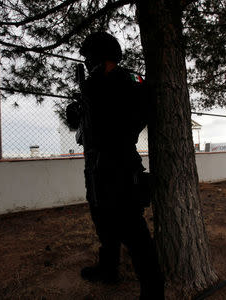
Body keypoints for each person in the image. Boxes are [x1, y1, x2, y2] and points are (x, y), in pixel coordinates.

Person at [66, 32, 164, 299]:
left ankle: (153, 292)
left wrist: (97, 99)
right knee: (102, 223)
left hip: (120, 165)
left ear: (102, 56)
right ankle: (108, 270)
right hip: (95, 167)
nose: (86, 62)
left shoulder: (130, 80)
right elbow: (84, 128)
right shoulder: (93, 86)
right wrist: (78, 112)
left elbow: (135, 118)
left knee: (134, 232)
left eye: (89, 57)